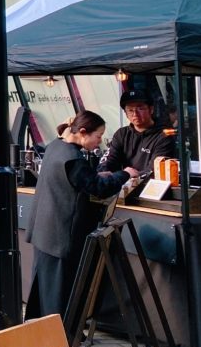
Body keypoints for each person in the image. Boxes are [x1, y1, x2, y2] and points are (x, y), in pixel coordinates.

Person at [26, 112, 136, 319]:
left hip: (44, 231)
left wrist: (97, 175)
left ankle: (46, 331)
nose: (100, 141)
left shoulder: (55, 148)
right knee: (60, 291)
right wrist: (125, 174)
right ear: (83, 132)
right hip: (61, 234)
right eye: (98, 135)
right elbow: (97, 188)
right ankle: (60, 335)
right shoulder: (73, 158)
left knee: (46, 288)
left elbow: (79, 181)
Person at [99, 88, 176, 175]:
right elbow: (109, 159)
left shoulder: (164, 135)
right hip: (124, 184)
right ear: (126, 113)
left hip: (150, 185)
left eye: (140, 108)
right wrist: (103, 172)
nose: (135, 114)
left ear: (151, 109)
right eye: (130, 110)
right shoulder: (121, 134)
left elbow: (155, 170)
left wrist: (127, 176)